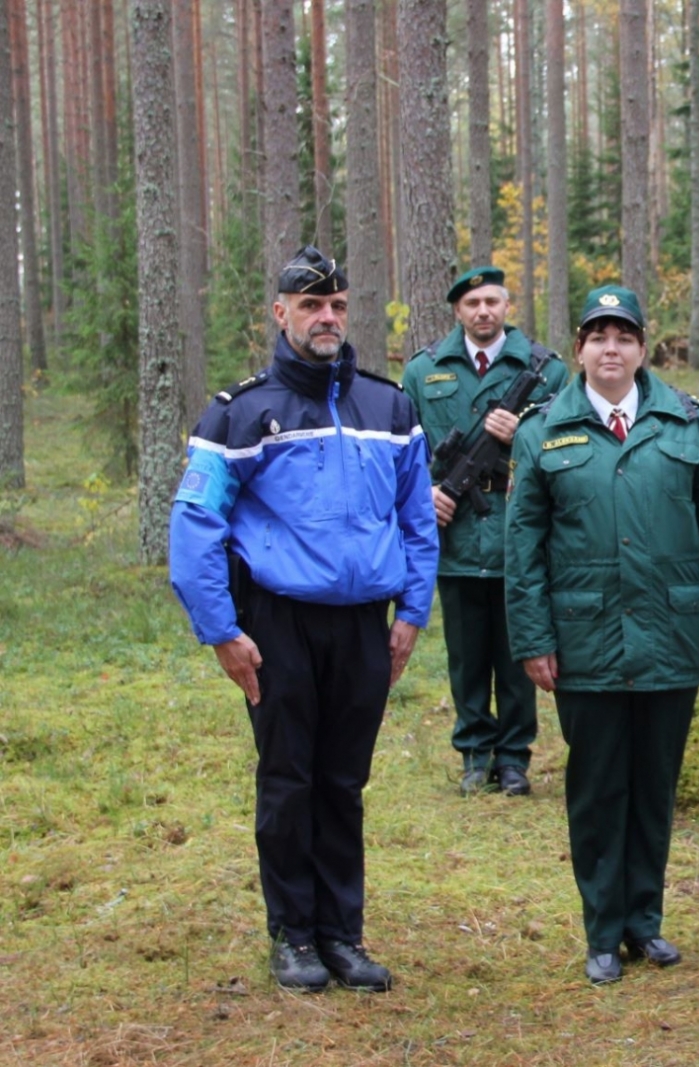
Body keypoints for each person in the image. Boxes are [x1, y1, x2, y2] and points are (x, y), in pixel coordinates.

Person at [169, 246, 439, 993]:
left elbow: (419, 518)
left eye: (338, 306)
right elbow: (195, 525)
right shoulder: (242, 412)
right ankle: (292, 934)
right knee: (289, 778)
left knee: (343, 781)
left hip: (364, 626)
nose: (327, 318)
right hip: (278, 624)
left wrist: (413, 611)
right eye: (311, 305)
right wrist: (223, 630)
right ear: (280, 313)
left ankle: (341, 933)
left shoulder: (389, 407)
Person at [504, 285, 699, 985]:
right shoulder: (543, 429)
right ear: (579, 348)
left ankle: (646, 919)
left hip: (671, 635)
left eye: (624, 337)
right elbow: (523, 548)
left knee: (653, 787)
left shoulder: (689, 424)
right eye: (597, 337)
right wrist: (532, 636)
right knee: (597, 788)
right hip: (586, 640)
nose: (611, 350)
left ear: (644, 348)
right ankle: (603, 930)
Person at [402, 267, 567, 796]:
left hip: (519, 533)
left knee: (519, 651)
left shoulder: (547, 371)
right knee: (467, 652)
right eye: (472, 303)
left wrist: (525, 434)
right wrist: (420, 497)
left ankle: (514, 757)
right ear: (458, 310)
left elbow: (568, 444)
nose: (483, 311)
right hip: (453, 536)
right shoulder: (423, 371)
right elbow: (403, 452)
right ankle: (475, 752)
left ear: (506, 304)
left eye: (492, 300)